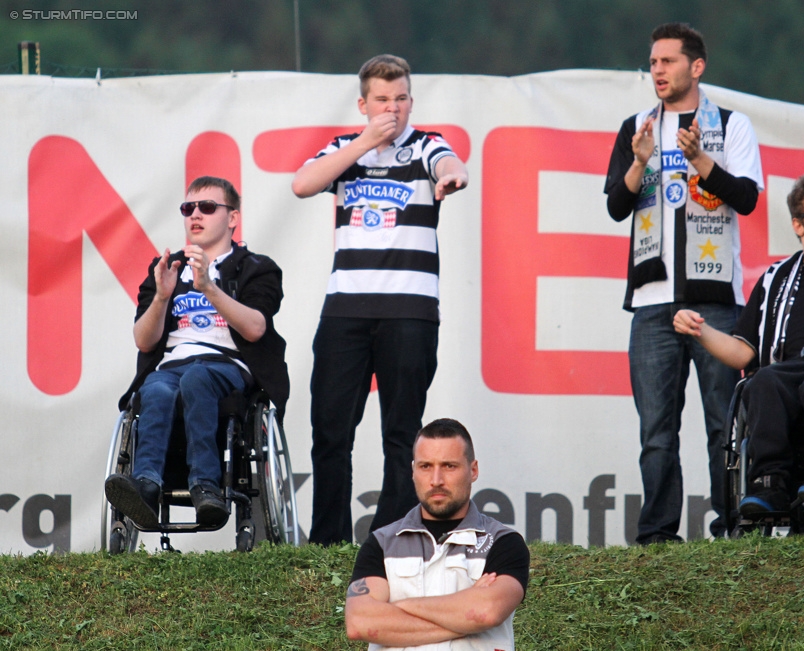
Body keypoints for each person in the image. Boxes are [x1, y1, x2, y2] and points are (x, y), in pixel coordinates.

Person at [292, 54, 469, 546]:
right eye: (382, 100)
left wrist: (452, 176)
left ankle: (390, 538)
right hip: (346, 309)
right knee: (330, 430)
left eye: (400, 99)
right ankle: (325, 541)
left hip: (409, 311)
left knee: (401, 432)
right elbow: (302, 184)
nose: (392, 108)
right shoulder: (345, 148)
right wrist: (366, 142)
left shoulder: (426, 145)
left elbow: (452, 165)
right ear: (363, 104)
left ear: (412, 101)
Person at [604, 23, 764, 542]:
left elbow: (746, 197)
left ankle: (734, 524)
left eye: (668, 62)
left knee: (723, 421)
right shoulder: (636, 126)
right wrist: (640, 162)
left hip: (713, 300)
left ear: (696, 67)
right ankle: (656, 535)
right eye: (652, 63)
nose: (657, 71)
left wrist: (700, 160)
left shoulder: (732, 125)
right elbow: (615, 205)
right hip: (652, 301)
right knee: (656, 432)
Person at [105, 176, 289, 529]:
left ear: (232, 218)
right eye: (188, 208)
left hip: (227, 365)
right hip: (173, 364)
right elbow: (144, 341)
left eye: (207, 207)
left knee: (197, 378)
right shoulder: (167, 268)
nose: (196, 215)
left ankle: (206, 485)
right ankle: (146, 486)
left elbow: (255, 328)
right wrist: (161, 296)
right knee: (155, 388)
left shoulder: (256, 267)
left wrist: (208, 287)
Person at [673, 172, 804, 515]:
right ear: (799, 226)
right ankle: (769, 484)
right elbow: (743, 353)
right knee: (763, 381)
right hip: (787, 368)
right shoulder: (776, 278)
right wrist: (701, 330)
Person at [345, 418, 529, 650]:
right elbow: (360, 624)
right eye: (425, 466)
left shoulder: (503, 542)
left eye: (449, 466)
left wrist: (396, 608)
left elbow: (485, 613)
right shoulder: (381, 543)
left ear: (473, 470)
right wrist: (464, 613)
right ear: (413, 471)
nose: (436, 480)